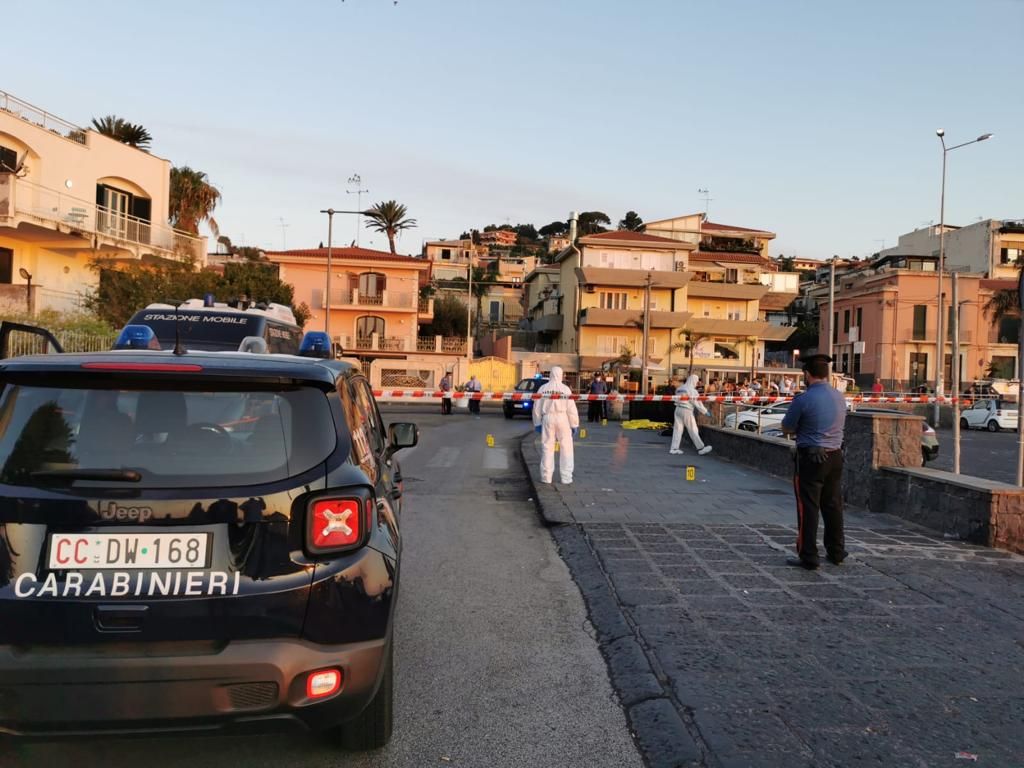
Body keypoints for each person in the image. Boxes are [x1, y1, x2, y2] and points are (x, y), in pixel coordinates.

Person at [780, 354, 848, 570]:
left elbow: (787, 427)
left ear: (807, 374)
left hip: (811, 457)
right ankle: (837, 551)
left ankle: (809, 556)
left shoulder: (803, 399)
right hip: (835, 455)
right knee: (833, 505)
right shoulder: (839, 397)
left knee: (808, 507)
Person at [532, 366, 579, 484]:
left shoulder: (543, 388)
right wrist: (574, 424)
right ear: (561, 374)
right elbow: (571, 408)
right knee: (566, 448)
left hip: (548, 418)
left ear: (551, 374)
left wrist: (537, 423)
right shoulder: (565, 389)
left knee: (547, 447)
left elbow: (536, 407)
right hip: (563, 418)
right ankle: (566, 477)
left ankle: (546, 477)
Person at [670, 374, 713, 456]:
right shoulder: (692, 391)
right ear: (693, 381)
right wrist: (705, 411)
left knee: (677, 430)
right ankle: (701, 448)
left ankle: (674, 448)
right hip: (687, 410)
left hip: (677, 409)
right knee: (693, 429)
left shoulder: (680, 388)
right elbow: (697, 403)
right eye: (696, 382)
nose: (697, 384)